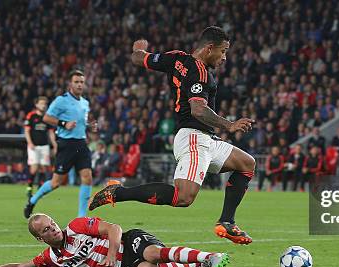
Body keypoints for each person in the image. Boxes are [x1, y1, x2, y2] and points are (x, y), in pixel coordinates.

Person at [88, 26, 257, 245]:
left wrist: (140, 46)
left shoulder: (176, 58)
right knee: (183, 198)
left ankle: (226, 222)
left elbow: (139, 58)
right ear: (209, 48)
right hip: (194, 138)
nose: (224, 57)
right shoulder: (201, 73)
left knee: (247, 164)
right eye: (223, 51)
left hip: (204, 138)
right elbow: (198, 109)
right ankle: (118, 193)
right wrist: (230, 125)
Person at [0, 213, 229, 267]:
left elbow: (114, 228)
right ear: (41, 239)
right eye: (46, 231)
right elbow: (19, 266)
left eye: (51, 223)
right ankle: (199, 263)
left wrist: (112, 251)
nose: (53, 229)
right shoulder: (53, 259)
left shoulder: (76, 226)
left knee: (152, 253)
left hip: (127, 243)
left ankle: (211, 255)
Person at [24, 70, 97, 219]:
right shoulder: (61, 100)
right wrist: (64, 123)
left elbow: (82, 121)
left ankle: (81, 217)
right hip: (66, 144)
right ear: (70, 84)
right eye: (76, 82)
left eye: (82, 82)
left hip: (81, 143)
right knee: (56, 182)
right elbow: (46, 117)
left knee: (87, 177)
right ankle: (32, 200)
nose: (79, 85)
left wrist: (90, 125)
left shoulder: (85, 102)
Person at [24, 96, 57, 199]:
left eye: (45, 104)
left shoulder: (48, 117)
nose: (43, 105)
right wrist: (29, 142)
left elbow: (51, 132)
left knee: (43, 168)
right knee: (34, 168)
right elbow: (27, 131)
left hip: (44, 146)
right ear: (36, 105)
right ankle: (29, 188)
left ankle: (40, 190)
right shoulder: (31, 116)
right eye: (41, 103)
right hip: (34, 146)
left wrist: (54, 144)